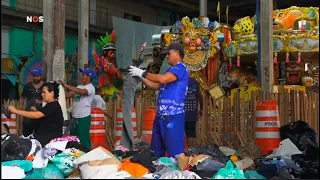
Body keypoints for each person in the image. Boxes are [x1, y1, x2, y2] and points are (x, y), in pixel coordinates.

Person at [129, 43, 189, 157]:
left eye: (168, 53)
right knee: (156, 151)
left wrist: (143, 73)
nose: (166, 56)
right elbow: (155, 86)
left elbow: (162, 79)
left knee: (175, 153)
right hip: (161, 115)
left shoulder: (181, 68)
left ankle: (176, 172)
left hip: (173, 116)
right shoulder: (170, 70)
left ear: (177, 53)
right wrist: (141, 78)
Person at [8, 81, 64, 146]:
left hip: (47, 139)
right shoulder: (50, 105)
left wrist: (16, 111)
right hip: (42, 137)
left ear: (52, 93)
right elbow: (43, 114)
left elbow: (36, 115)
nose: (42, 94)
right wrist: (36, 110)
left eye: (44, 92)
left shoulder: (53, 106)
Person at [60, 68, 96, 149]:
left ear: (89, 77)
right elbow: (68, 95)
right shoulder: (79, 86)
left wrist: (67, 86)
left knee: (83, 139)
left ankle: (86, 154)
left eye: (83, 75)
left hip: (83, 117)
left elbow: (81, 92)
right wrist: (58, 91)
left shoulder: (90, 87)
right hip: (74, 117)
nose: (81, 76)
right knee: (73, 138)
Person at [19, 68, 44, 138]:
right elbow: (22, 96)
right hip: (28, 112)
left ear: (41, 76)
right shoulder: (28, 86)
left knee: (39, 133)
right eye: (34, 76)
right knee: (26, 132)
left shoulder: (45, 86)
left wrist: (41, 102)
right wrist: (21, 105)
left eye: (37, 76)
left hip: (40, 112)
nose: (35, 78)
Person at [184, 77, 203, 148]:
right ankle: (191, 151)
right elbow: (200, 96)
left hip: (180, 112)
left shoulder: (178, 80)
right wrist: (201, 108)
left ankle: (179, 152)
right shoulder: (194, 82)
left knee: (178, 133)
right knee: (191, 133)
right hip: (191, 112)